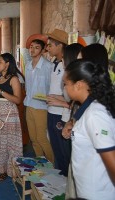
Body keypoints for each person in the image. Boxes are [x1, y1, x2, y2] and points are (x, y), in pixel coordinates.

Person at [63, 59, 115, 199]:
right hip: (87, 188)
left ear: (78, 85)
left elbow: (112, 161)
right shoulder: (89, 107)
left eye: (66, 84)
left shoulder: (95, 114)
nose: (65, 88)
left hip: (97, 192)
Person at [0, 53, 24, 181]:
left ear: (7, 64)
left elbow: (18, 99)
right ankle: (0, 168)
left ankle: (9, 170)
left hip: (9, 114)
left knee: (8, 142)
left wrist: (0, 91)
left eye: (0, 62)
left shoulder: (14, 79)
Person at [24, 39, 54, 163]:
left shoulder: (48, 66)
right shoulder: (28, 65)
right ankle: (41, 163)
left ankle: (53, 164)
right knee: (33, 139)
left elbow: (51, 87)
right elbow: (27, 86)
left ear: (42, 50)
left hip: (42, 107)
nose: (32, 50)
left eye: (36, 47)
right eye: (31, 47)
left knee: (42, 138)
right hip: (29, 105)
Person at [45, 29, 68, 167]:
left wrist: (58, 99)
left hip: (61, 112)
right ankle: (59, 177)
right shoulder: (54, 63)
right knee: (55, 146)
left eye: (50, 45)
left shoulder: (66, 64)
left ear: (60, 46)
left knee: (63, 148)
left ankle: (65, 178)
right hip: (51, 109)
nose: (48, 48)